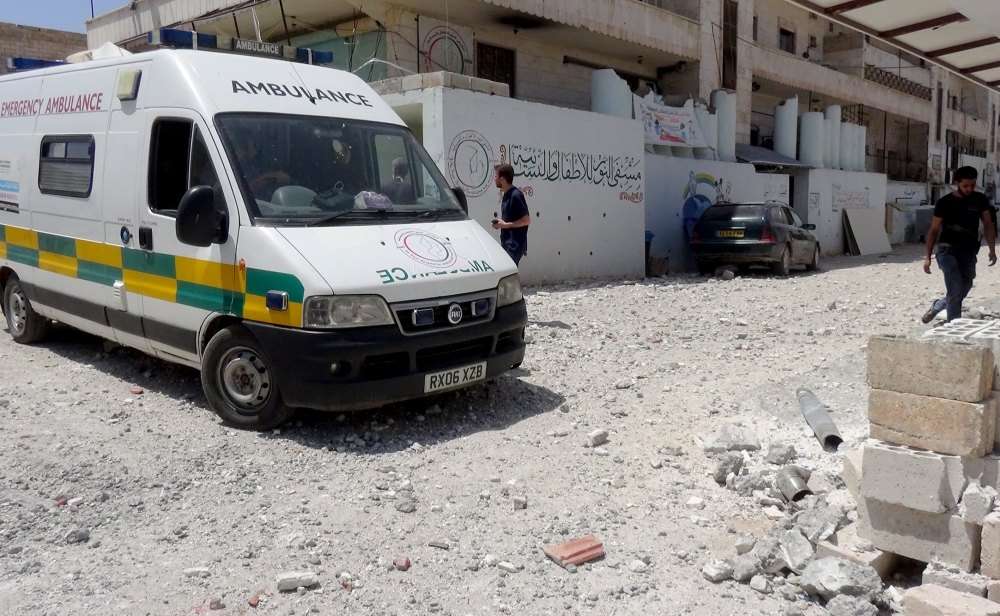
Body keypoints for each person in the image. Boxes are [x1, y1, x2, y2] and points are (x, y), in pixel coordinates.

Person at [922, 166, 997, 323]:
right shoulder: (945, 202)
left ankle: (938, 305)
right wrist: (927, 257)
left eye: (972, 185)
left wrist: (992, 249)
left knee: (966, 284)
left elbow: (988, 225)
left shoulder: (980, 200)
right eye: (965, 185)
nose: (969, 189)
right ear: (957, 183)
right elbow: (934, 230)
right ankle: (953, 326)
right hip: (947, 250)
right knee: (955, 287)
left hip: (969, 252)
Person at [228, 127, 290, 199]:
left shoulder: (253, 166)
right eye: (252, 147)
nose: (255, 152)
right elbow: (240, 191)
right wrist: (269, 176)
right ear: (239, 151)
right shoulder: (228, 171)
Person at [491, 163, 530, 266]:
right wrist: (500, 224)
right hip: (507, 244)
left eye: (496, 176)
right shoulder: (506, 195)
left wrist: (505, 225)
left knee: (508, 273)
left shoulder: (516, 195)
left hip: (515, 245)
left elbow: (526, 220)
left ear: (502, 179)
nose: (494, 179)